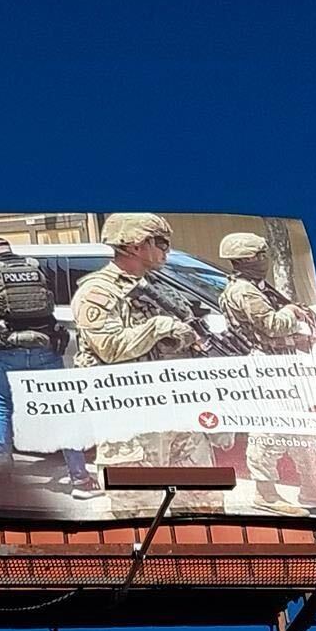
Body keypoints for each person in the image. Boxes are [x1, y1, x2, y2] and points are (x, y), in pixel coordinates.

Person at [71, 213, 224, 516]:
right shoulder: (97, 291)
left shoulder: (160, 288)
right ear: (135, 245)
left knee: (203, 509)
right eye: (161, 243)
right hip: (131, 420)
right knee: (140, 515)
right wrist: (158, 327)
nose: (167, 250)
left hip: (178, 415)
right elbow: (111, 347)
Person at [0, 236, 101, 499]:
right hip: (45, 346)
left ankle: (2, 473)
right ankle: (80, 478)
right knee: (62, 408)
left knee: (3, 406)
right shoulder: (36, 267)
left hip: (5, 349)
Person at [218, 232, 316, 516]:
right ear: (244, 259)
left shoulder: (258, 287)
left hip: (282, 365)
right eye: (259, 256)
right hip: (265, 367)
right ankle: (265, 492)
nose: (263, 260)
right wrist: (291, 312)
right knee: (271, 428)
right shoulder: (243, 291)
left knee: (300, 425)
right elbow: (272, 325)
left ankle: (312, 486)